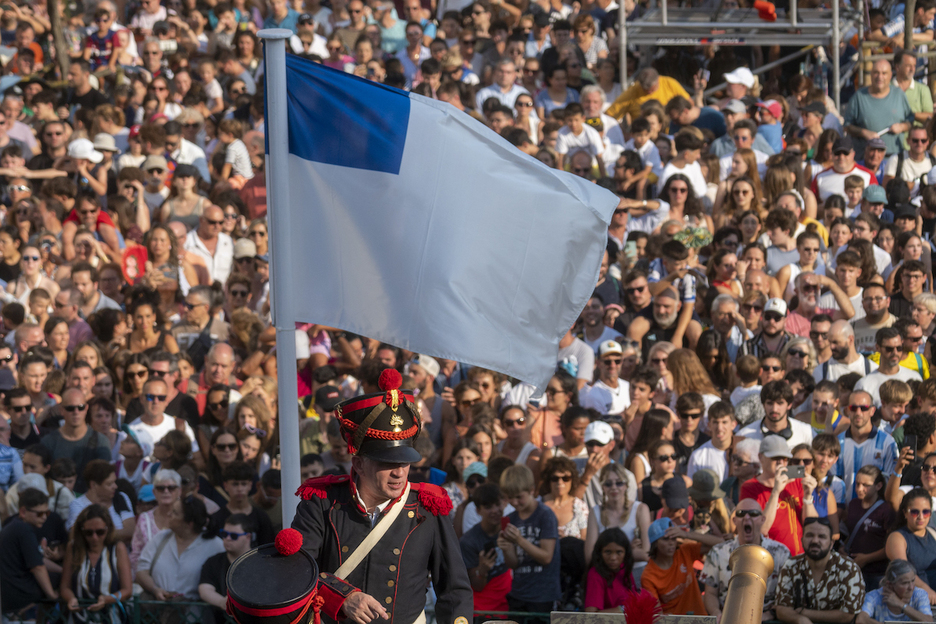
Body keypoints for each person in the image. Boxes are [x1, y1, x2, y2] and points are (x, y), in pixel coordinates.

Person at [291, 370, 473, 624]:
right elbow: (296, 574)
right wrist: (341, 599)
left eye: (404, 462)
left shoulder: (428, 507)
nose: (399, 473)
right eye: (387, 463)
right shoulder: (321, 502)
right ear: (359, 464)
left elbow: (454, 590)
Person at [701, 498, 791, 620]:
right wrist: (717, 614)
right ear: (734, 520)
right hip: (727, 619)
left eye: (753, 514)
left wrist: (766, 616)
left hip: (767, 619)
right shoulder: (718, 552)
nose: (747, 518)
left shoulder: (781, 553)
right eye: (741, 514)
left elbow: (786, 596)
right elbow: (710, 593)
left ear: (762, 519)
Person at [775, 517, 869, 624]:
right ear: (802, 540)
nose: (815, 541)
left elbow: (847, 615)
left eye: (822, 536)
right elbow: (782, 609)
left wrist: (804, 613)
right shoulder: (791, 565)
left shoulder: (848, 568)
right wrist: (800, 619)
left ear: (831, 543)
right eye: (810, 535)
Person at [136, 495, 225, 601]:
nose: (169, 514)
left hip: (194, 614)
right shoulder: (161, 538)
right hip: (157, 612)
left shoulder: (215, 545)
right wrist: (155, 590)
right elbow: (142, 570)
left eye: (175, 513)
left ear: (189, 524)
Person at [740, 436, 818, 555]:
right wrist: (775, 491)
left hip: (799, 557)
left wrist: (808, 497)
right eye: (775, 457)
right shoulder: (750, 487)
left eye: (785, 458)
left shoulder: (795, 481)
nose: (781, 462)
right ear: (761, 457)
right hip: (770, 559)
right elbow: (760, 530)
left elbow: (812, 524)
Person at [60, 504, 132, 624]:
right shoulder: (73, 548)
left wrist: (106, 599)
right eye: (89, 533)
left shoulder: (117, 548)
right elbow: (65, 586)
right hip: (79, 616)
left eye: (100, 532)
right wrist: (71, 599)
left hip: (110, 617)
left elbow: (127, 590)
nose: (94, 537)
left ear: (108, 529)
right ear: (81, 531)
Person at [641, 516, 720, 615]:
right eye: (665, 539)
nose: (671, 543)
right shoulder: (648, 576)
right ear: (655, 544)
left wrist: (686, 535)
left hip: (699, 619)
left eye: (674, 538)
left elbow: (720, 543)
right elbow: (657, 616)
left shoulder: (684, 552)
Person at [0, 488, 59, 613]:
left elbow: (38, 559)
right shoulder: (24, 530)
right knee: (64, 580)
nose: (44, 517)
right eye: (39, 514)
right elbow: (38, 567)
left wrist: (62, 569)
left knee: (61, 574)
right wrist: (52, 595)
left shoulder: (15, 526)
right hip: (17, 592)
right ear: (23, 512)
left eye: (46, 513)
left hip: (8, 590)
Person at [460, 483, 512, 614]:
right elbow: (476, 586)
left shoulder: (510, 529)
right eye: (488, 507)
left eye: (497, 504)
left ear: (504, 503)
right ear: (478, 510)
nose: (494, 510)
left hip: (510, 601)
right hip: (482, 609)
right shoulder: (469, 541)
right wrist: (482, 571)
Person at [844, 465, 896, 591]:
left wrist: (866, 559)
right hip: (852, 569)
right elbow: (850, 533)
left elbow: (891, 546)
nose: (859, 488)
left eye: (865, 485)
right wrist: (842, 548)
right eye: (857, 484)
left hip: (876, 573)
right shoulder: (853, 504)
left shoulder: (886, 510)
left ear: (878, 486)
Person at [198, 513, 256, 624]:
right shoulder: (213, 562)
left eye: (234, 536)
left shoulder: (259, 562)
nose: (227, 539)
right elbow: (205, 589)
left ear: (248, 537)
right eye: (224, 534)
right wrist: (222, 602)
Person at [886, 488, 936, 603]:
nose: (921, 517)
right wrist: (927, 591)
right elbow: (903, 571)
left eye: (926, 512)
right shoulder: (897, 537)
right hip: (911, 603)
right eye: (914, 512)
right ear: (905, 513)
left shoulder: (934, 534)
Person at [67, 460, 136, 542]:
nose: (115, 486)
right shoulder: (77, 505)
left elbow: (130, 531)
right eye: (109, 484)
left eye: (115, 482)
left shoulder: (121, 498)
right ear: (93, 485)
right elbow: (78, 536)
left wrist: (98, 534)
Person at [584, 527, 649, 612]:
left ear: (626, 553)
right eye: (608, 552)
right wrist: (622, 609)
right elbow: (591, 614)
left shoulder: (624, 568)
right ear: (600, 552)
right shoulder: (595, 574)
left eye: (619, 552)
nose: (613, 558)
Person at [862, 559, 934, 622]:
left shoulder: (919, 594)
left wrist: (901, 605)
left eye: (913, 581)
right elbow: (861, 619)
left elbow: (928, 621)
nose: (911, 587)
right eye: (905, 583)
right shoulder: (874, 597)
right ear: (890, 584)